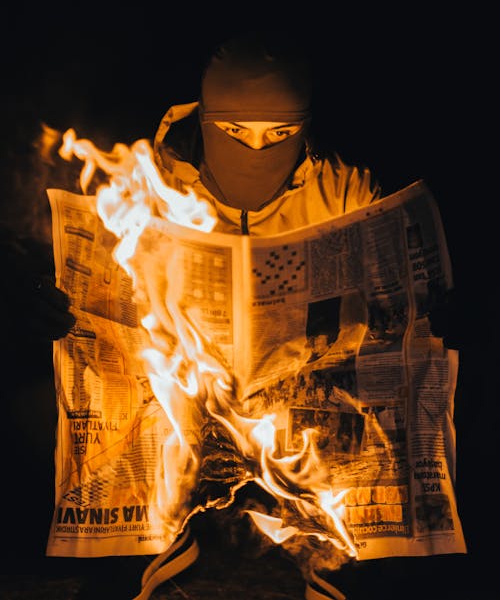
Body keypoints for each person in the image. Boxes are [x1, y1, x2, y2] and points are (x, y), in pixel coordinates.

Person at [3, 33, 460, 599]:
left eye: (280, 134)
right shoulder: (154, 187)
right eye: (236, 132)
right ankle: (157, 536)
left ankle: (325, 545)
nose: (257, 148)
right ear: (207, 118)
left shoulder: (347, 188)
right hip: (185, 399)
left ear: (306, 126)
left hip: (294, 401)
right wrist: (45, 305)